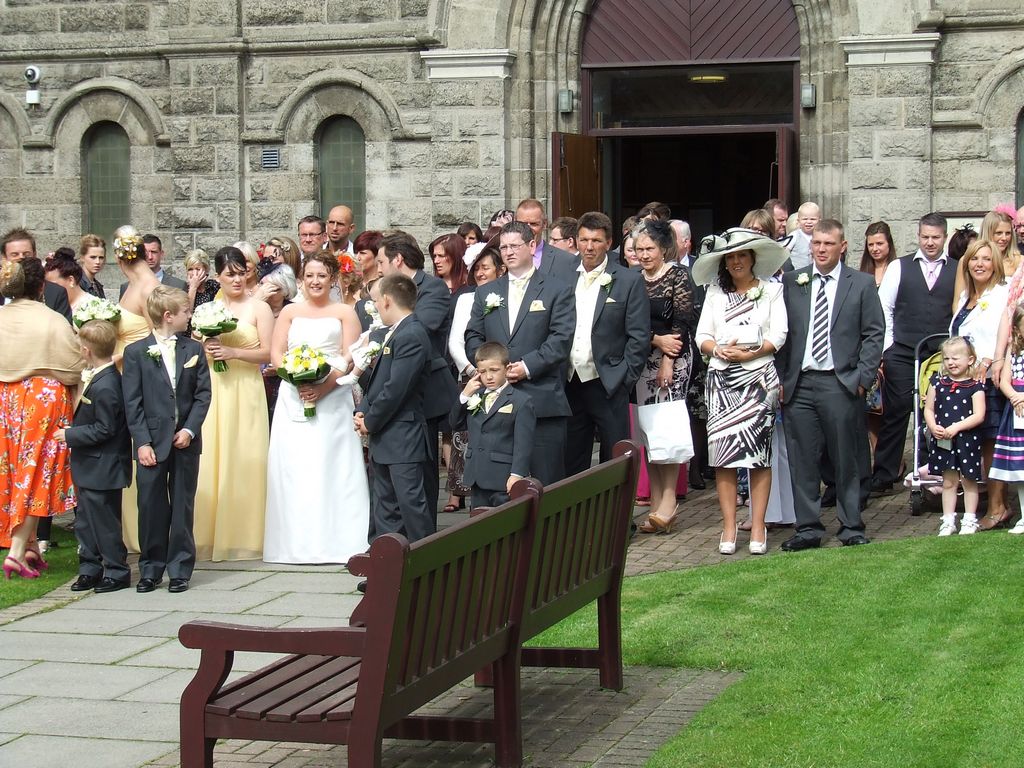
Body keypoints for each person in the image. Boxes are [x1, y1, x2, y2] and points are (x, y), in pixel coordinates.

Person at [776, 220, 885, 551]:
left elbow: (874, 332)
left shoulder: (861, 283)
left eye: (828, 243)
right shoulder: (793, 281)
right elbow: (782, 332)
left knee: (846, 457)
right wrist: (782, 378)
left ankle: (851, 525)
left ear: (843, 246)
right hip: (800, 384)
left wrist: (862, 379)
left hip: (840, 382)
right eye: (816, 243)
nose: (821, 249)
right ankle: (808, 528)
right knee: (803, 459)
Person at [264, 252, 368, 564]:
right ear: (301, 279)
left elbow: (349, 357)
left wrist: (323, 387)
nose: (315, 281)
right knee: (296, 466)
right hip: (293, 395)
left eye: (321, 275)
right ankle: (293, 543)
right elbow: (276, 353)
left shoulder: (344, 312)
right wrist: (294, 378)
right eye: (309, 275)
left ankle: (339, 541)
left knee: (330, 465)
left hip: (333, 394)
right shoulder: (290, 312)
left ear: (332, 278)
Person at [693, 228, 789, 555]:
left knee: (759, 455)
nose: (736, 262)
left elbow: (779, 334)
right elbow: (702, 335)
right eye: (730, 257)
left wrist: (752, 354)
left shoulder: (772, 290)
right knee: (723, 457)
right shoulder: (715, 293)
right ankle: (729, 526)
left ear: (752, 258)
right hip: (722, 381)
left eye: (742, 256)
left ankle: (758, 525)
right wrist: (717, 350)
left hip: (759, 379)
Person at [465, 220, 576, 485]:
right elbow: (472, 336)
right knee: (498, 485)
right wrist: (490, 368)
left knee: (545, 482)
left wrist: (527, 366)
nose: (509, 252)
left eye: (515, 246)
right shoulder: (486, 292)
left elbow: (561, 339)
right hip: (495, 402)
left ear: (532, 246)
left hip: (541, 399)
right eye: (504, 247)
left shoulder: (557, 289)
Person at [122, 285, 211, 593]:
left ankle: (180, 568)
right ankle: (150, 568)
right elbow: (132, 402)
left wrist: (190, 430)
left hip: (185, 441)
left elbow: (203, 395)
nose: (190, 316)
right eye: (186, 312)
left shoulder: (194, 350)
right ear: (168, 316)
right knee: (150, 506)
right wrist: (142, 442)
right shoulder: (136, 352)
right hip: (151, 441)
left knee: (182, 506)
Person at [0, 257, 83, 576]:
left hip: (5, 398)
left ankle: (29, 544)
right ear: (40, 287)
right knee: (36, 472)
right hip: (43, 400)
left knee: (14, 471)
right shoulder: (51, 320)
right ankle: (17, 550)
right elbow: (73, 366)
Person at [193, 247, 274, 561]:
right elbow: (195, 348)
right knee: (211, 457)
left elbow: (268, 352)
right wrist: (206, 349)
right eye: (230, 274)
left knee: (244, 455)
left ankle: (244, 537)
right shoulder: (207, 309)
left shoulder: (259, 308)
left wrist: (234, 353)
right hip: (215, 385)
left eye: (241, 273)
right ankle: (207, 535)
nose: (237, 279)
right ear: (219, 277)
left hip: (246, 386)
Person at [872, 212, 956, 494]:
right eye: (925, 237)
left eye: (936, 237)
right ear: (918, 236)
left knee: (935, 412)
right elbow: (884, 308)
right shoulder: (899, 267)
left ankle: (931, 469)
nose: (930, 243)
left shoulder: (957, 269)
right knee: (897, 411)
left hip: (941, 355)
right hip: (903, 351)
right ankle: (884, 474)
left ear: (944, 238)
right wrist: (888, 347)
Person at [376, 231, 458, 515]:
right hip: (393, 382)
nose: (378, 268)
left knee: (424, 469)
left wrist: (376, 335)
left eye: (381, 262)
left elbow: (422, 326)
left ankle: (426, 531)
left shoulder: (432, 288)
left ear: (397, 259)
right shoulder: (381, 289)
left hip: (426, 390)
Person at [566, 212, 650, 477]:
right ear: (576, 241)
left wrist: (624, 378)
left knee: (615, 458)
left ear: (609, 243)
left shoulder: (628, 280)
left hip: (608, 381)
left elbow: (639, 336)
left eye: (596, 241)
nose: (589, 247)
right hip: (569, 382)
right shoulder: (562, 276)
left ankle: (615, 506)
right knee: (571, 459)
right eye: (584, 240)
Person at [355, 273, 434, 542]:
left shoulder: (411, 334)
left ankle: (425, 560)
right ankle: (386, 560)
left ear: (387, 300)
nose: (375, 306)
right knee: (385, 507)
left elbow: (396, 389)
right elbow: (379, 381)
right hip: (386, 436)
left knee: (410, 506)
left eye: (376, 301)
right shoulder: (397, 332)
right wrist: (363, 409)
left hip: (403, 436)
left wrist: (370, 421)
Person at [56, 320, 132, 592]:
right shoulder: (100, 377)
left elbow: (106, 428)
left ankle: (117, 570)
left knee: (105, 522)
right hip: (91, 465)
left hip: (104, 465)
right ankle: (90, 567)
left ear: (86, 351)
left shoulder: (108, 383)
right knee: (86, 521)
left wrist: (70, 435)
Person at [632, 219, 693, 533]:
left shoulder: (677, 275)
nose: (644, 255)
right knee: (649, 431)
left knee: (668, 429)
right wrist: (654, 340)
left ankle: (669, 501)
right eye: (639, 249)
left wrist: (668, 360)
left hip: (674, 359)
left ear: (663, 248)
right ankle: (655, 501)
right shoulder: (633, 279)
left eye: (649, 249)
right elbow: (630, 324)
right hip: (644, 359)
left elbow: (682, 321)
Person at [950, 239, 1009, 529]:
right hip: (966, 382)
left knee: (991, 442)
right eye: (974, 259)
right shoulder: (964, 297)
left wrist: (992, 359)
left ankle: (998, 507)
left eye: (986, 259)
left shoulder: (1002, 294)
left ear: (995, 263)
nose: (980, 264)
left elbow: (1007, 335)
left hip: (990, 379)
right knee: (974, 441)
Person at [447, 243, 505, 509]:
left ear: (499, 270)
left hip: (502, 374)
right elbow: (456, 341)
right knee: (466, 433)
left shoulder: (505, 295)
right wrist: (474, 371)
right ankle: (463, 490)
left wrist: (495, 370)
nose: (480, 273)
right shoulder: (466, 298)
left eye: (486, 268)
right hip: (472, 374)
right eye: (476, 269)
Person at [450, 342, 536, 509]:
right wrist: (465, 395)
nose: (488, 376)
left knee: (504, 519)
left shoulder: (521, 401)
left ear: (507, 368)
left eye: (494, 370)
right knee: (478, 519)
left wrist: (517, 474)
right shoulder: (475, 396)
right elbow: (455, 423)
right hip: (476, 475)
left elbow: (523, 444)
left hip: (503, 478)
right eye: (482, 372)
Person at [924, 337, 985, 536]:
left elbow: (979, 415)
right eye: (947, 358)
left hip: (967, 440)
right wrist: (933, 426)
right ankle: (948, 520)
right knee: (948, 481)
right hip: (944, 440)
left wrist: (957, 427)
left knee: (968, 480)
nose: (950, 362)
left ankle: (969, 519)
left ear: (970, 359)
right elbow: (929, 408)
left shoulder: (975, 386)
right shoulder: (937, 383)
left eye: (956, 358)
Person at [991, 304, 1024, 534]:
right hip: (1017, 411)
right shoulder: (1014, 350)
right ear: (1018, 329)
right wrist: (1014, 397)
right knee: (1020, 469)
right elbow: (1004, 380)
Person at [954, 211, 1019, 315]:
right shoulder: (966, 260)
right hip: (973, 318)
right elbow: (958, 301)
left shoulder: (1019, 261)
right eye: (998, 233)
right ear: (987, 232)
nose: (1004, 238)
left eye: (1008, 233)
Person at [1, 228, 73, 321]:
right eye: (15, 254)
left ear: (35, 254)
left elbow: (64, 326)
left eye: (26, 254)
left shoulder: (56, 292)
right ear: (4, 258)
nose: (21, 257)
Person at [515, 198, 580, 283]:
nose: (528, 229)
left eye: (534, 224)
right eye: (522, 224)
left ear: (544, 224)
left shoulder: (566, 260)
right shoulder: (505, 257)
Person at [119, 234, 187, 296]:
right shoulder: (126, 287)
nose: (150, 257)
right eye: (145, 253)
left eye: (154, 252)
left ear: (161, 254)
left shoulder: (178, 285)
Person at [859, 221, 896, 288]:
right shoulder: (861, 274)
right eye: (871, 245)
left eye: (879, 244)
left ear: (889, 243)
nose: (874, 249)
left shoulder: (898, 270)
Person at [787, 202, 820, 270]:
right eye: (805, 219)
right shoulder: (795, 235)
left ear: (819, 221)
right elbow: (785, 251)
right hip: (797, 272)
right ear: (798, 221)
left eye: (813, 219)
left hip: (815, 271)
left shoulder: (820, 236)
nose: (809, 222)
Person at [78, 234, 107, 298]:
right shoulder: (76, 284)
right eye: (93, 257)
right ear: (82, 257)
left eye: (101, 258)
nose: (97, 262)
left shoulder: (97, 286)